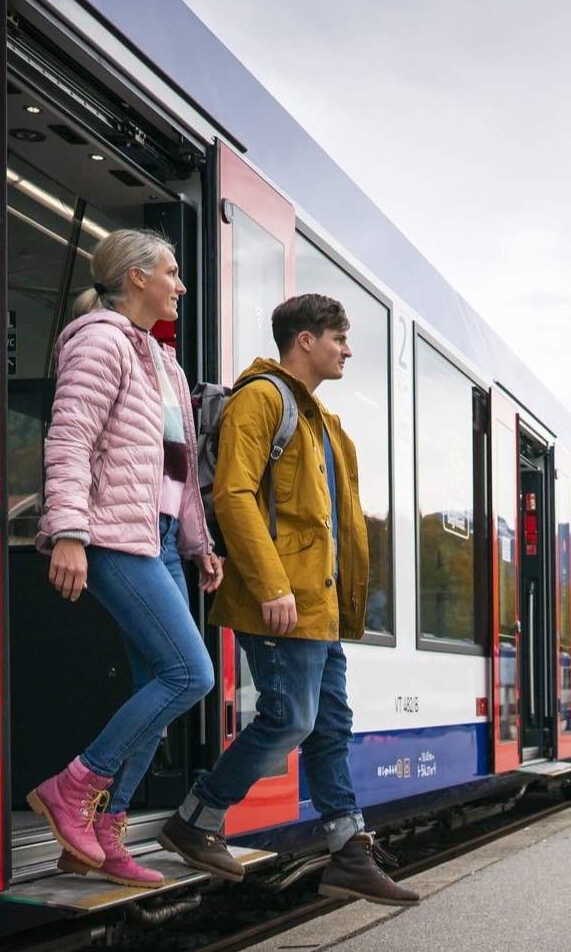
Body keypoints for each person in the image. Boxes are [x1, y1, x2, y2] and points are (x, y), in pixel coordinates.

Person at [158, 294, 418, 907]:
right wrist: (273, 584)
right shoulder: (263, 399)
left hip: (316, 607)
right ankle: (196, 817)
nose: (347, 349)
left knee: (330, 727)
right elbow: (234, 496)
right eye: (339, 337)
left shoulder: (322, 423)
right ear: (305, 339)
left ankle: (348, 853)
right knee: (291, 718)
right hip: (281, 601)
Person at [29, 228, 223, 889]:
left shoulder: (164, 364)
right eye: (172, 271)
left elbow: (180, 470)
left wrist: (197, 544)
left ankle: (103, 837)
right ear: (136, 278)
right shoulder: (101, 340)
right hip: (112, 535)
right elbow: (71, 437)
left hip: (159, 538)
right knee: (189, 675)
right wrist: (70, 532)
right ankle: (73, 787)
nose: (181, 284)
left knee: (159, 685)